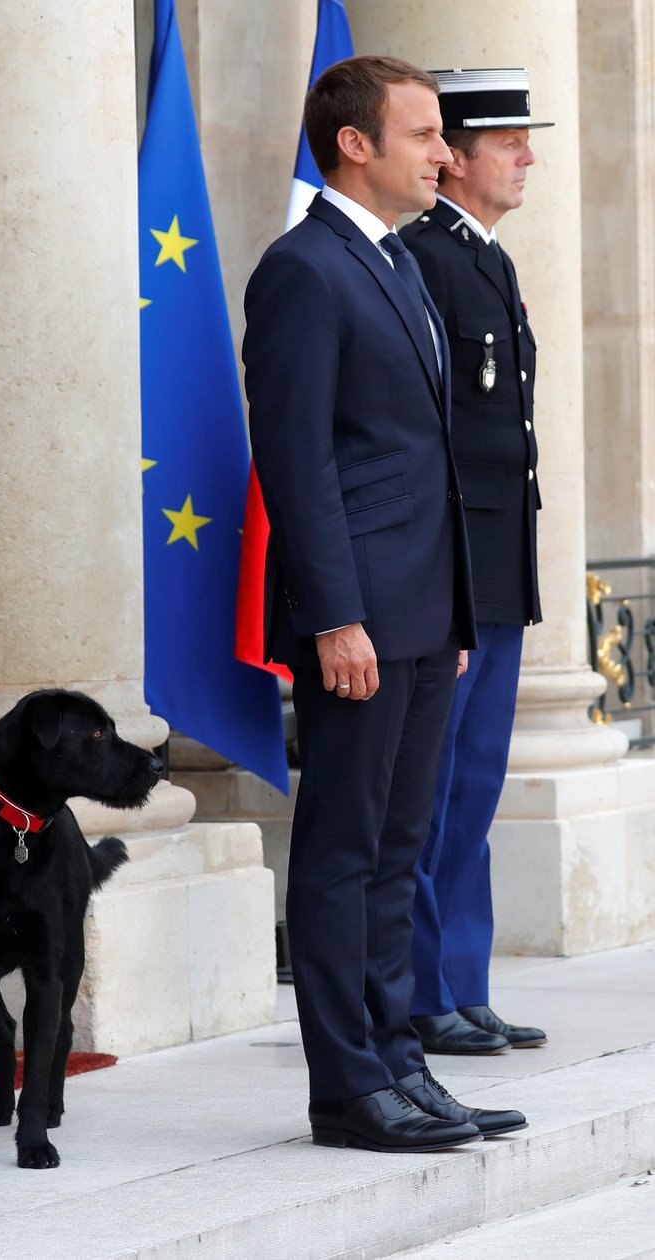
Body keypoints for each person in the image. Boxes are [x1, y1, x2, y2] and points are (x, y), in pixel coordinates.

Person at [243, 55, 527, 1153]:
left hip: (422, 613)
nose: (444, 156)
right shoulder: (304, 270)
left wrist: (452, 616)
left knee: (400, 846)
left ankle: (402, 1062)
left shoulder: (401, 266)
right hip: (357, 615)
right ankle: (347, 1085)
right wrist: (334, 616)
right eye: (423, 137)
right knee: (343, 849)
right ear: (355, 143)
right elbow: (297, 458)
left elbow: (426, 456)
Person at [400, 68, 551, 1056]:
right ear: (453, 153)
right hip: (454, 569)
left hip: (497, 564)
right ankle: (422, 993)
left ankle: (465, 977)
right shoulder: (426, 258)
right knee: (429, 786)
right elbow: (427, 439)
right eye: (509, 140)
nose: (528, 155)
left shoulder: (483, 258)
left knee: (478, 781)